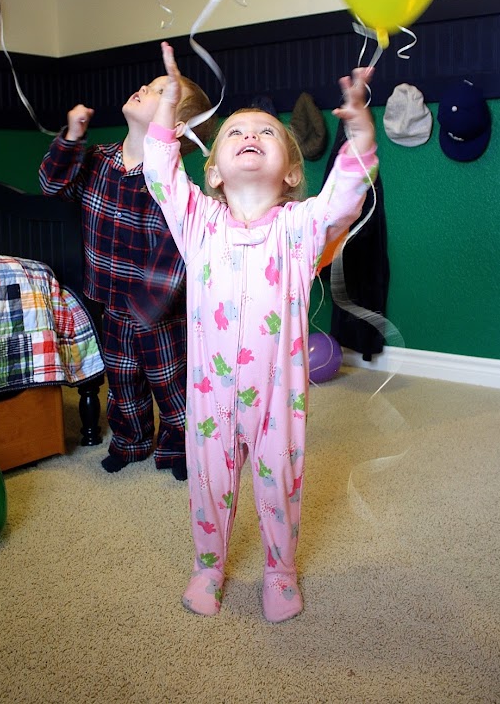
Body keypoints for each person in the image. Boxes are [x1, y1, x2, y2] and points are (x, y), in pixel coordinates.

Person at [143, 41, 378, 621]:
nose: (250, 133)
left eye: (266, 132)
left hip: (278, 397)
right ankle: (208, 565)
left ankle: (280, 569)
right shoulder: (198, 222)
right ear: (214, 172)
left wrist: (359, 136)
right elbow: (161, 174)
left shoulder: (300, 229)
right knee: (208, 481)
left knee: (280, 484)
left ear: (292, 172)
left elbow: (344, 199)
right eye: (235, 132)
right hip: (210, 393)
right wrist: (167, 108)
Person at [39, 66, 214, 481]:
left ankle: (179, 447)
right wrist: (72, 136)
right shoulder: (98, 159)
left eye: (157, 91)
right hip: (111, 299)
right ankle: (130, 441)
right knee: (122, 379)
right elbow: (52, 186)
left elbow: (175, 252)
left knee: (171, 382)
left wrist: (151, 305)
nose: (142, 88)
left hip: (157, 308)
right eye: (147, 85)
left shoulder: (169, 183)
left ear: (176, 124)